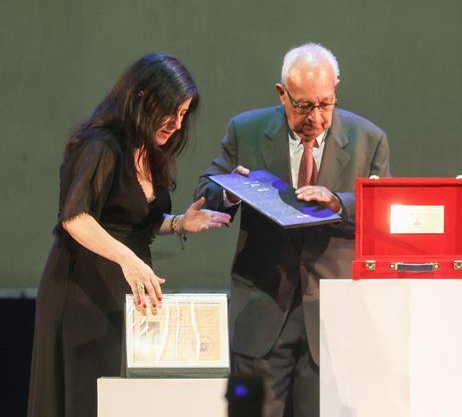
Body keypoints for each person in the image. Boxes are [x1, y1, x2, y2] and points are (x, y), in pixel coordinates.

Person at [28, 53, 232, 417]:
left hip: (126, 289)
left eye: (184, 115)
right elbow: (75, 217)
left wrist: (179, 223)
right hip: (83, 289)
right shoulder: (101, 146)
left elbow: (134, 220)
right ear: (141, 99)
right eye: (171, 112)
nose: (176, 123)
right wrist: (127, 258)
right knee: (85, 396)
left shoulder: (150, 152)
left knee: (119, 399)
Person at [195, 43, 391, 417]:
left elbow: (383, 213)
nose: (316, 118)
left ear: (336, 88)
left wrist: (337, 202)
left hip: (333, 317)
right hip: (262, 310)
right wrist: (231, 192)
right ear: (282, 94)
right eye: (304, 106)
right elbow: (206, 190)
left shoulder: (369, 138)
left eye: (326, 103)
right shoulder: (246, 130)